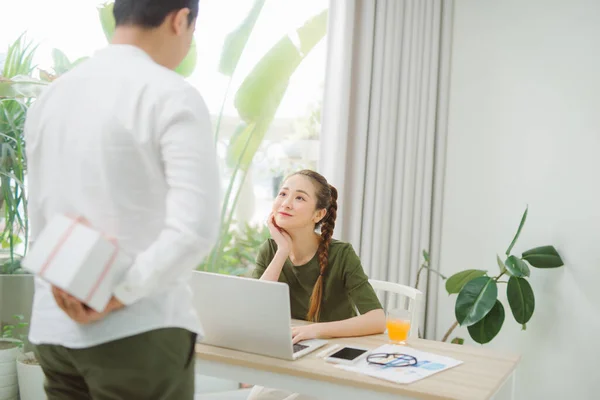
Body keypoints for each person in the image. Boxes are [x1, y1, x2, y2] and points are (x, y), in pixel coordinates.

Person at [24, 1, 220, 399]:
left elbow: (41, 216)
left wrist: (66, 292)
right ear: (180, 19)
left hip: (55, 329)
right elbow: (193, 229)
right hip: (138, 331)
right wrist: (117, 293)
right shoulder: (172, 95)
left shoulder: (52, 96)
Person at [249, 170, 386, 400]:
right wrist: (282, 251)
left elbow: (377, 319)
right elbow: (254, 308)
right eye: (283, 194)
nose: (286, 203)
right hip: (296, 357)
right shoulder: (271, 250)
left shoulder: (341, 254)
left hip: (336, 359)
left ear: (319, 214)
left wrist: (313, 330)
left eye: (299, 198)